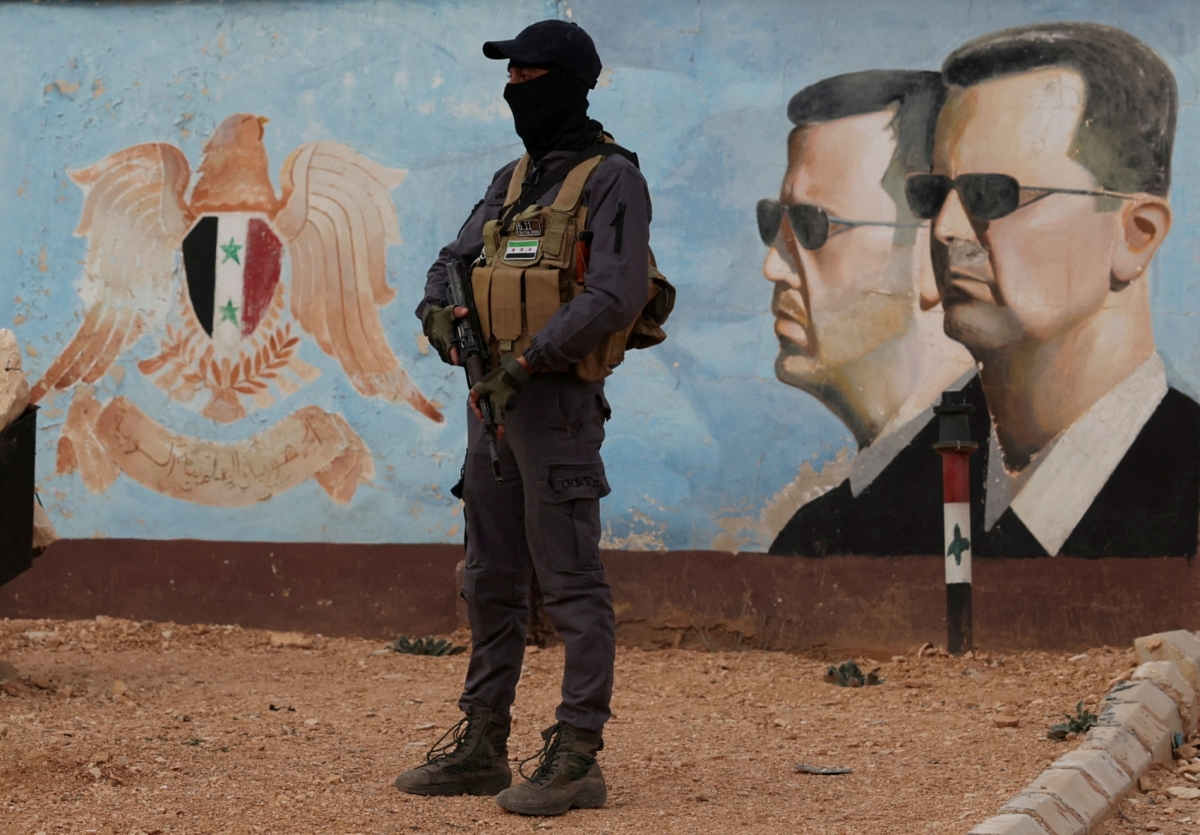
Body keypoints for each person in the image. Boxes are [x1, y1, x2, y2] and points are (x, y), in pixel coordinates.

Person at [394, 20, 652, 816]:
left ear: (571, 86)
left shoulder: (611, 181)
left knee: (571, 582)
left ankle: (577, 754)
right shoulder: (513, 180)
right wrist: (439, 311)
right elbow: (452, 259)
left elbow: (617, 291)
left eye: (532, 76)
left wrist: (528, 362)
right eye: (512, 77)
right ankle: (482, 739)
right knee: (489, 577)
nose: (517, 90)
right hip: (490, 406)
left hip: (555, 406)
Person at [908, 22, 1198, 557]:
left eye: (992, 194)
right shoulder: (879, 505)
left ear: (1137, 236)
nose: (947, 229)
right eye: (933, 193)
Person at [761, 71, 976, 556]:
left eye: (811, 225)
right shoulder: (818, 533)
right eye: (773, 223)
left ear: (937, 250)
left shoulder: (1003, 488)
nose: (773, 265)